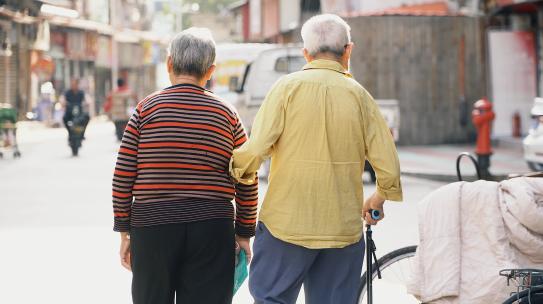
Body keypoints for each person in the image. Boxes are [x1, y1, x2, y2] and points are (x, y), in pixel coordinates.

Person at [230, 14, 403, 304]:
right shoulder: (360, 97)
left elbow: (256, 148)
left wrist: (233, 170)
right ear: (348, 51)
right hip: (342, 231)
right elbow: (389, 165)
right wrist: (378, 199)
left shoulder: (286, 89)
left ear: (305, 53)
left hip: (286, 225)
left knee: (271, 298)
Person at [111, 27, 258, 304]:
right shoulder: (228, 115)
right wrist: (243, 233)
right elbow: (247, 177)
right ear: (211, 70)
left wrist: (124, 231)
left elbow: (122, 176)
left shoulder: (145, 110)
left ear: (169, 64)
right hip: (212, 227)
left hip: (152, 227)